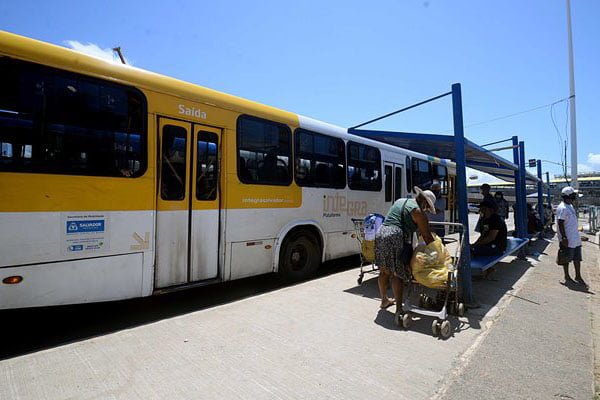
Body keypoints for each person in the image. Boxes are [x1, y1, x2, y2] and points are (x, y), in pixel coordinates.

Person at [375, 187, 436, 316]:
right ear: (424, 202)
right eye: (428, 208)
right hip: (395, 236)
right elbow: (427, 237)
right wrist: (438, 250)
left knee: (384, 270)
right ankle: (399, 309)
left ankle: (384, 300)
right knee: (398, 274)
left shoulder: (401, 201)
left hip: (381, 233)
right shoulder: (418, 211)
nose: (427, 210)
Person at [556, 186, 587, 286]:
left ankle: (578, 275)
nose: (575, 197)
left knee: (577, 257)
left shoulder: (570, 206)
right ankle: (567, 275)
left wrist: (578, 235)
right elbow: (560, 223)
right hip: (568, 238)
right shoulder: (563, 208)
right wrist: (564, 238)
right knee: (566, 258)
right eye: (573, 195)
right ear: (569, 196)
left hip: (575, 237)